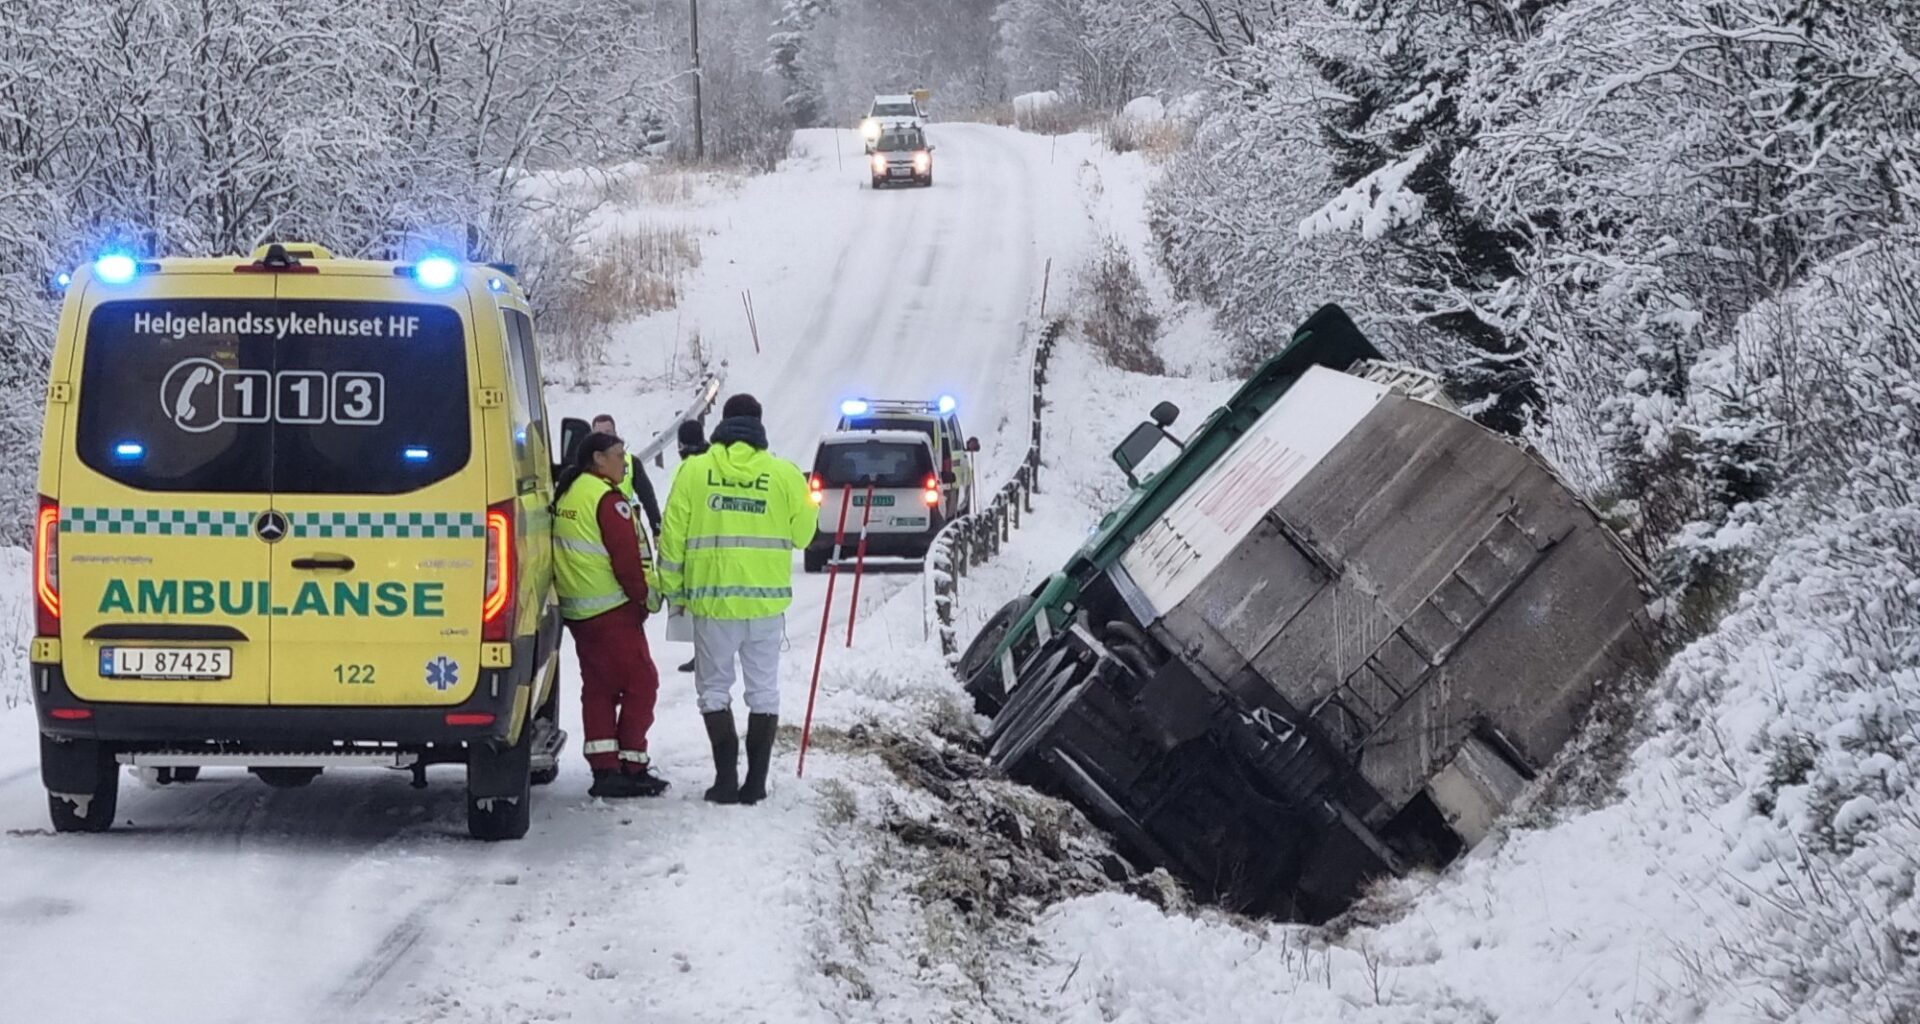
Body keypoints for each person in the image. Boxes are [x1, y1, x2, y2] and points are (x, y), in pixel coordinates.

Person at [657, 394, 813, 805]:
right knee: (764, 693)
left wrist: (672, 591)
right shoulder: (784, 474)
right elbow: (804, 536)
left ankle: (725, 781)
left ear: (722, 423)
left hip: (713, 605)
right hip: (765, 606)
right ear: (759, 423)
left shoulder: (694, 471)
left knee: (713, 692)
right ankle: (756, 784)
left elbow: (672, 537)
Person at [553, 431, 669, 799]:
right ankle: (632, 765)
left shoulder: (570, 492)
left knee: (599, 687)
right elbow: (627, 560)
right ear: (598, 459)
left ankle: (605, 768)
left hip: (579, 610)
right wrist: (641, 599)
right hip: (610, 610)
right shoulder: (607, 499)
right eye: (618, 455)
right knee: (642, 683)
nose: (625, 463)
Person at [672, 419, 710, 676]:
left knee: (701, 610)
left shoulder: (688, 469)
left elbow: (679, 515)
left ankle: (704, 655)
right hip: (718, 545)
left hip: (698, 548)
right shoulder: (714, 461)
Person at [591, 414, 662, 538]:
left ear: (615, 434)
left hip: (624, 532)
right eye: (598, 434)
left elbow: (648, 500)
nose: (603, 438)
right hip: (593, 533)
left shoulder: (631, 463)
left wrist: (657, 530)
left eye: (608, 432)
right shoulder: (583, 466)